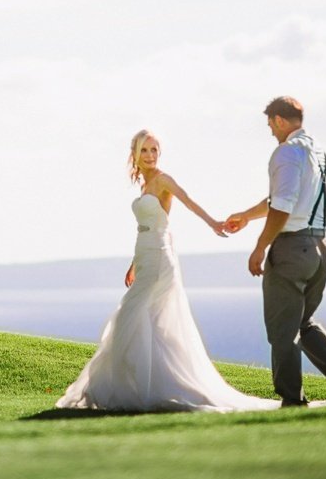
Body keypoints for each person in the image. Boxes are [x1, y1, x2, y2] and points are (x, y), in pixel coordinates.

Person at [55, 130, 279, 413]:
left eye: (154, 150)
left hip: (160, 259)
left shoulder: (163, 180)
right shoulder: (144, 184)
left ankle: (138, 390)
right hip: (146, 254)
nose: (150, 156)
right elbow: (151, 226)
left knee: (130, 315)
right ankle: (144, 387)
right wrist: (134, 264)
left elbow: (187, 202)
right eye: (145, 150)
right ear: (135, 154)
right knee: (147, 321)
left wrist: (214, 223)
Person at [225, 96, 326, 407]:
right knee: (302, 323)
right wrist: (246, 217)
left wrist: (260, 247)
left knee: (282, 331)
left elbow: (284, 205)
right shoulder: (317, 151)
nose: (271, 132)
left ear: (278, 119)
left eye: (270, 125)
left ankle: (292, 400)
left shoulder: (286, 152)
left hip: (292, 249)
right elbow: (284, 199)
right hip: (320, 248)